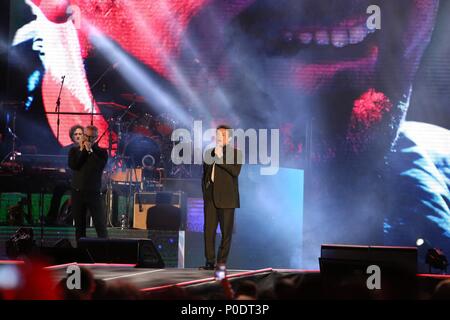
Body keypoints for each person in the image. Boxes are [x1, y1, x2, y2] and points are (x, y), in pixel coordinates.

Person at [200, 125, 242, 270]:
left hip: (227, 199)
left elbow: (235, 171)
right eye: (218, 134)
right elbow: (204, 175)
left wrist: (219, 157)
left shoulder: (236, 153)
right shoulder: (209, 153)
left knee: (226, 233)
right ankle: (209, 262)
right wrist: (205, 193)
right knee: (208, 231)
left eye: (223, 135)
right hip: (210, 198)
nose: (219, 137)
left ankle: (221, 262)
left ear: (229, 138)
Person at [68, 125, 108, 242]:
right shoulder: (74, 151)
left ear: (96, 138)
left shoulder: (101, 152)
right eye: (86, 136)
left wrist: (90, 151)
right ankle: (81, 254)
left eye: (91, 137)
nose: (88, 139)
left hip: (94, 193)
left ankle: (105, 253)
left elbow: (98, 166)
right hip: (77, 192)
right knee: (79, 227)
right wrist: (83, 151)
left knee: (100, 226)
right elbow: (74, 165)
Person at [46, 124, 83, 224]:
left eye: (80, 134)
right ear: (72, 136)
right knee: (58, 188)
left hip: (82, 182)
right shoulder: (64, 150)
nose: (78, 136)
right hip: (68, 179)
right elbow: (59, 166)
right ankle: (52, 218)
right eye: (76, 134)